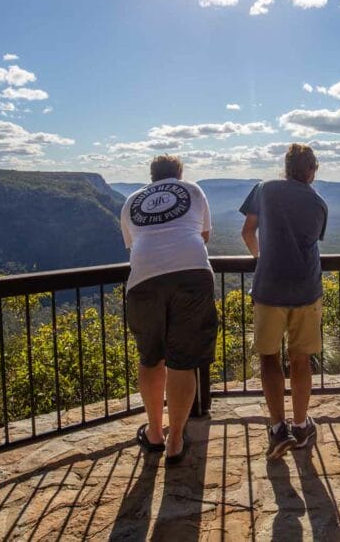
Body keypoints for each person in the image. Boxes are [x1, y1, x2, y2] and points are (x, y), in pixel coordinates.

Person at [120, 154, 217, 465]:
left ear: (152, 176)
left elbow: (133, 245)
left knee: (150, 358)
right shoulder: (193, 190)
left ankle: (154, 432)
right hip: (192, 274)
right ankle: (175, 440)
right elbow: (203, 236)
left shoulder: (131, 201)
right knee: (183, 362)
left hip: (144, 280)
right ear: (179, 173)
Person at [240, 143, 328, 459]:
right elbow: (310, 242)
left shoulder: (264, 189)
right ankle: (301, 425)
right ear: (311, 170)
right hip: (306, 288)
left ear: (286, 167)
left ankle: (278, 429)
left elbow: (248, 232)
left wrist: (261, 258)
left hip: (269, 287)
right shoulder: (318, 203)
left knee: (269, 357)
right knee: (301, 359)